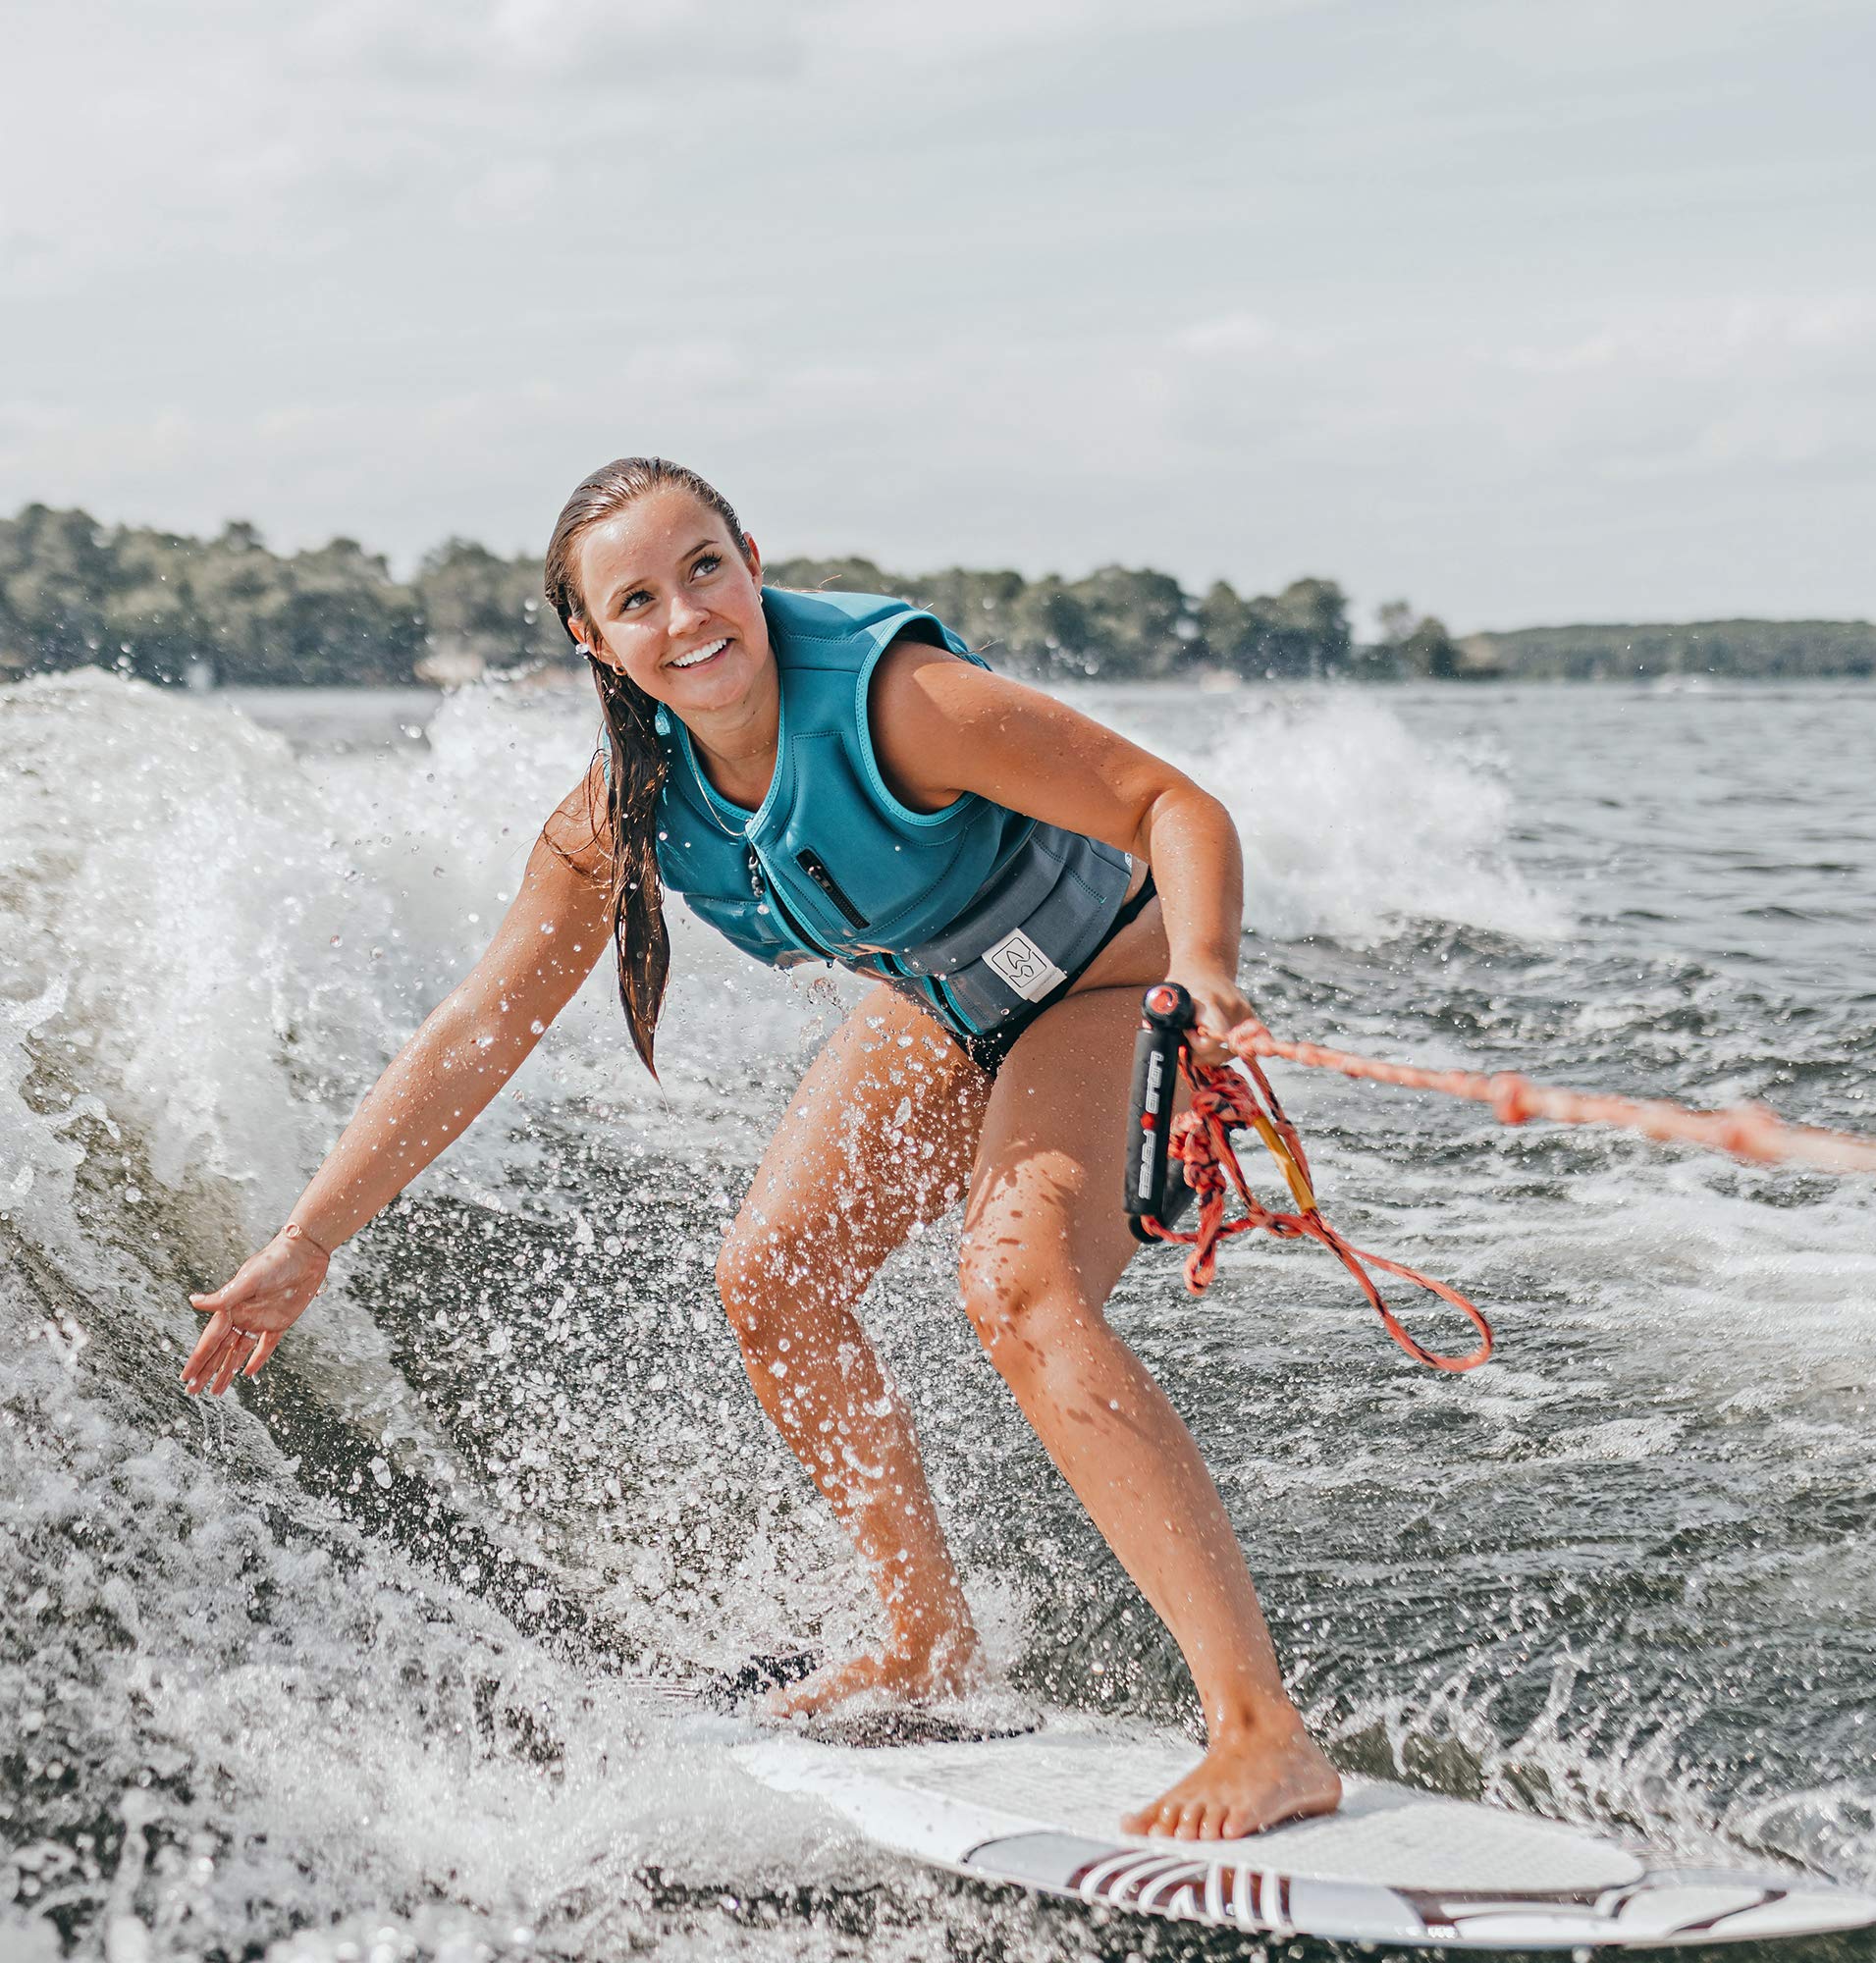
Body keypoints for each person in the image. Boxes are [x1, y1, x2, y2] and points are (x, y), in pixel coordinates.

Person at [182, 456, 1341, 1841]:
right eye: (639, 600)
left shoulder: (898, 701)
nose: (687, 616)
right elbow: (481, 1027)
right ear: (594, 641)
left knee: (1019, 1290)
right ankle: (925, 1641)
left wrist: (1208, 972)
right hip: (950, 1000)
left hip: (1106, 974)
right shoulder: (622, 810)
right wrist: (310, 1237)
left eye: (706, 569)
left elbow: (1174, 807)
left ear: (752, 558)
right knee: (774, 1277)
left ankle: (1265, 1735)